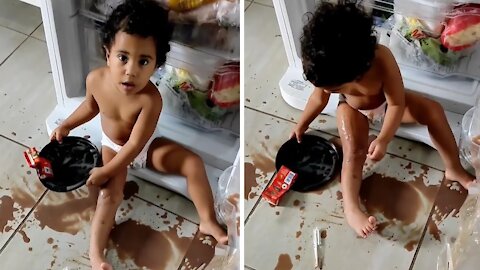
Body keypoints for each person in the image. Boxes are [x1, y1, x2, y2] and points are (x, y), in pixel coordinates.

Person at [50, 1, 227, 269]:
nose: (131, 70)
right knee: (109, 196)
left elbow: (135, 144)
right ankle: (96, 254)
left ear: (156, 64)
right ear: (107, 53)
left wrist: (108, 170)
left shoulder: (150, 99)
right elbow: (89, 106)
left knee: (193, 164)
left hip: (143, 147)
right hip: (111, 145)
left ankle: (207, 219)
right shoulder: (95, 80)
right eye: (123, 57)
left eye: (143, 61)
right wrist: (67, 125)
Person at [290, 1, 476, 239]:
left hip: (387, 105)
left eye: (335, 89)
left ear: (356, 72)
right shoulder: (327, 70)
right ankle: (351, 207)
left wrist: (384, 137)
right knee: (353, 151)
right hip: (354, 110)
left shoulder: (382, 59)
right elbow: (319, 100)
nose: (330, 91)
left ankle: (454, 168)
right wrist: (302, 124)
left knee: (433, 111)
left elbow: (397, 103)